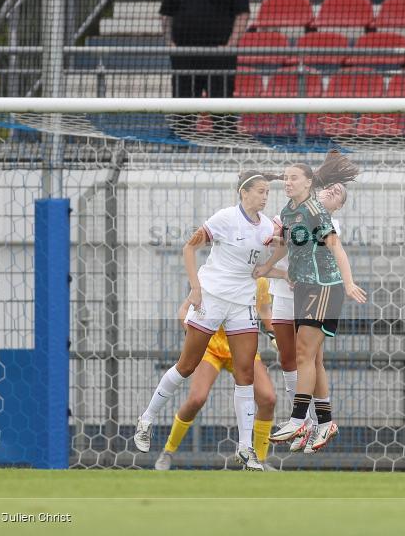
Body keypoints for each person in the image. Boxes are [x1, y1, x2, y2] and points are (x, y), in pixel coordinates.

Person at [133, 171, 275, 471]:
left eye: (267, 192)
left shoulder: (267, 226)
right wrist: (195, 289)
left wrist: (275, 267)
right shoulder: (224, 218)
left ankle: (246, 448)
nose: (265, 196)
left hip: (241, 305)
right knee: (185, 367)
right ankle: (146, 418)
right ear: (243, 192)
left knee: (246, 374)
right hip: (211, 299)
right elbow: (189, 247)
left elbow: (273, 253)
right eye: (260, 191)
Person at [254, 151, 367, 453]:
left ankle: (299, 418)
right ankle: (325, 421)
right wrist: (268, 267)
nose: (287, 181)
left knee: (304, 353)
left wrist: (349, 282)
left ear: (308, 183)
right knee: (310, 358)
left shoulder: (318, 212)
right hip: (304, 289)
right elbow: (285, 244)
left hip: (325, 286)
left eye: (293, 177)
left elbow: (337, 249)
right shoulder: (290, 211)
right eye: (286, 177)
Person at [154, 278, 277, 471]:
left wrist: (274, 334)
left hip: (241, 348)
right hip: (210, 349)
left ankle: (259, 462)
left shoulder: (260, 280)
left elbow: (263, 310)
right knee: (196, 399)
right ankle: (168, 452)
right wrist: (193, 336)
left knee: (268, 398)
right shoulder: (215, 274)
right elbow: (184, 311)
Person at [269, 184, 348, 454]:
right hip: (283, 297)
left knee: (308, 357)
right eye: (328, 188)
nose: (329, 192)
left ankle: (302, 421)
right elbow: (275, 239)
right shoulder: (294, 212)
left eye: (337, 194)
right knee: (292, 359)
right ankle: (315, 421)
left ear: (339, 207)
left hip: (312, 292)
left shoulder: (329, 223)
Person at [160, 0, 249, 103]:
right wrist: (170, 44)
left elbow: (242, 14)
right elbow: (166, 14)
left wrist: (230, 45)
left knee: (222, 116)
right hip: (185, 58)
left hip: (219, 59)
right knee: (183, 115)